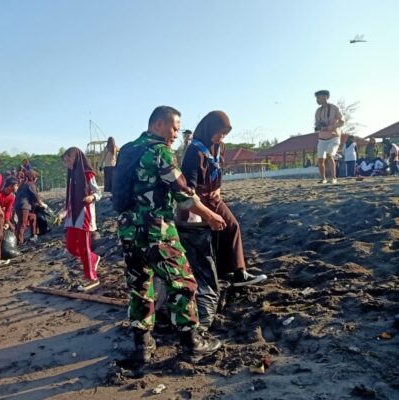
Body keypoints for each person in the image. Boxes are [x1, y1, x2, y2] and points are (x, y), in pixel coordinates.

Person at [116, 106, 227, 366]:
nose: (176, 133)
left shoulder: (128, 150)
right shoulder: (159, 151)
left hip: (128, 230)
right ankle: (192, 343)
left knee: (139, 285)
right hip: (156, 230)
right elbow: (183, 194)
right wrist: (210, 216)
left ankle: (142, 345)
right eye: (174, 127)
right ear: (157, 125)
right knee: (183, 283)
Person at [181, 111, 267, 287]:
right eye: (219, 132)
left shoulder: (220, 147)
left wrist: (218, 189)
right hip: (197, 200)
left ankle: (239, 272)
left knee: (231, 225)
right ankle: (211, 276)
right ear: (208, 129)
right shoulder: (194, 151)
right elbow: (188, 188)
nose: (221, 137)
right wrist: (201, 212)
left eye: (225, 134)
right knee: (205, 235)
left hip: (213, 197)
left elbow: (218, 171)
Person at [61, 147, 102, 292]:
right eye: (65, 160)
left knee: (84, 247)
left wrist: (92, 197)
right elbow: (70, 198)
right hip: (72, 217)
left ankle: (92, 277)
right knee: (71, 247)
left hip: (84, 214)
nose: (67, 162)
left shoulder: (87, 174)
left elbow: (98, 192)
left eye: (69, 158)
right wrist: (63, 212)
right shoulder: (71, 175)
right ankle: (92, 259)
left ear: (77, 157)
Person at [314, 90, 344, 184]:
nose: (317, 100)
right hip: (322, 138)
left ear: (325, 97)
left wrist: (331, 127)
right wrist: (319, 127)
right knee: (320, 159)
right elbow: (316, 124)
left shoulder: (334, 108)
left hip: (333, 137)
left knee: (330, 155)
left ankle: (334, 177)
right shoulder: (318, 111)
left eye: (318, 97)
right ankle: (323, 178)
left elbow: (342, 121)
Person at [14, 170, 45, 245]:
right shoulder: (30, 184)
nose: (36, 179)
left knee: (33, 217)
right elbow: (35, 195)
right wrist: (41, 204)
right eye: (36, 177)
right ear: (32, 177)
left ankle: (34, 234)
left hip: (19, 205)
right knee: (22, 224)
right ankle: (19, 242)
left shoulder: (22, 184)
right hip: (23, 206)